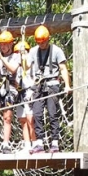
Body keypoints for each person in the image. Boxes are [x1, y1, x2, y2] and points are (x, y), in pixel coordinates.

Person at [27, 25, 71, 154]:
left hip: (52, 84)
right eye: (39, 42)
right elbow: (26, 67)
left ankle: (55, 143)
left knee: (53, 114)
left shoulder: (57, 51)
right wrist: (23, 58)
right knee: (37, 113)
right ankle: (39, 143)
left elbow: (63, 69)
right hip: (38, 85)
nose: (41, 44)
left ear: (48, 39)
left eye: (43, 42)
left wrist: (67, 85)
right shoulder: (33, 51)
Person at [14, 38, 36, 153]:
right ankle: (27, 145)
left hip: (29, 91)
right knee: (23, 120)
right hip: (20, 93)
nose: (20, 54)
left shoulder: (30, 63)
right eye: (18, 53)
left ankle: (35, 143)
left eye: (22, 52)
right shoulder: (17, 66)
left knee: (30, 119)